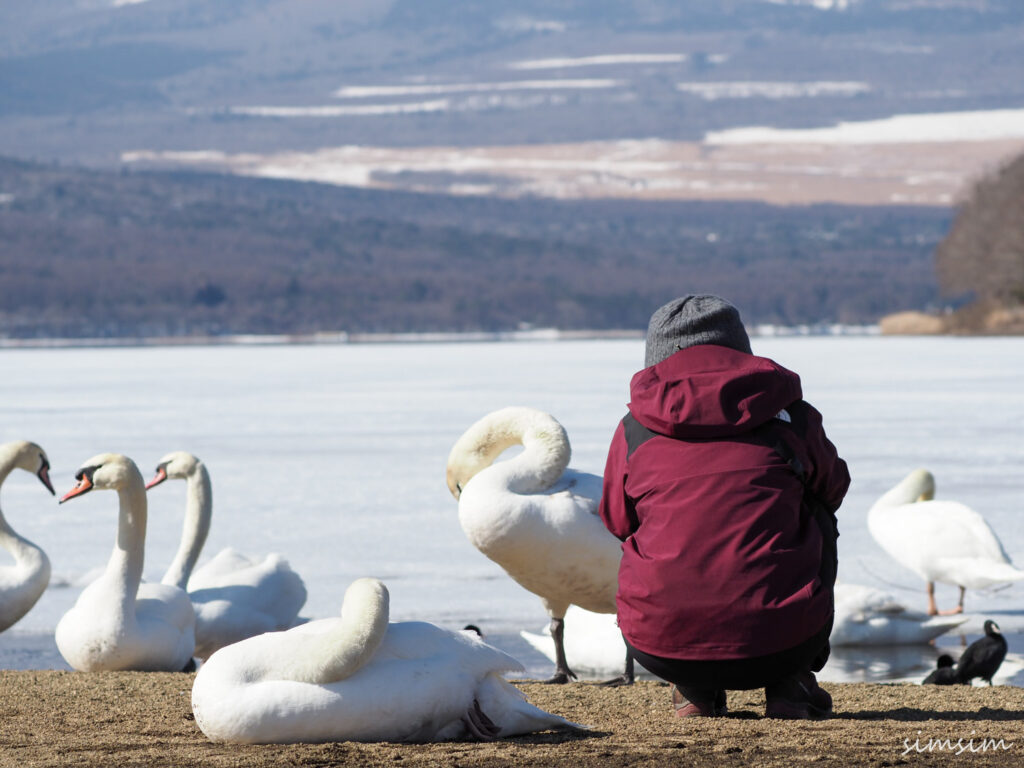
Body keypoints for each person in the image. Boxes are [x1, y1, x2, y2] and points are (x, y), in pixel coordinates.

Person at [598, 295, 850, 719]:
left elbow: (616, 519)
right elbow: (834, 487)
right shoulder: (792, 416)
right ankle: (789, 684)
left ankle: (692, 689)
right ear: (740, 347)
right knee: (818, 511)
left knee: (653, 523)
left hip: (661, 646)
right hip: (784, 641)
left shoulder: (634, 430)